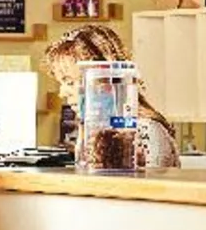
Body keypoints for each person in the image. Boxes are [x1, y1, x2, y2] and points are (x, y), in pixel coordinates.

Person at [43, 24, 181, 168]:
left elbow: (154, 188)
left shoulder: (146, 131)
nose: (62, 93)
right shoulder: (96, 130)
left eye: (70, 82)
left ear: (105, 78)